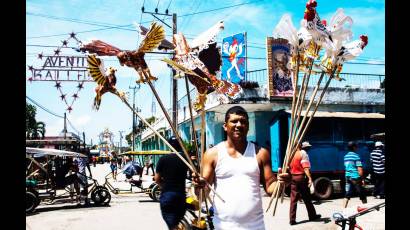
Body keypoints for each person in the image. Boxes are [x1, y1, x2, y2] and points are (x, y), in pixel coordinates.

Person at [194, 106, 290, 230]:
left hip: (255, 226)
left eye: (243, 121)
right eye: (234, 121)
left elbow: (270, 186)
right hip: (223, 226)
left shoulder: (260, 153)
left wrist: (282, 184)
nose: (239, 125)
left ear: (248, 126)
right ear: (225, 126)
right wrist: (199, 186)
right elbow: (203, 192)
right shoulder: (212, 154)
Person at [154, 136, 189, 230]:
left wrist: (163, 186)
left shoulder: (163, 159)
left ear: (169, 145)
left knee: (172, 226)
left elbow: (157, 179)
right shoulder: (186, 159)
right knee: (176, 222)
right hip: (180, 195)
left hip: (167, 195)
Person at [288, 141, 321, 225]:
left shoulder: (290, 155)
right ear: (299, 145)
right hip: (301, 178)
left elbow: (288, 167)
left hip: (293, 177)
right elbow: (306, 168)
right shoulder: (303, 153)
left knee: (293, 199)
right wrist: (310, 178)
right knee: (306, 198)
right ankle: (312, 215)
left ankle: (292, 219)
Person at [343, 141, 367, 208]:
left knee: (347, 194)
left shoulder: (345, 156)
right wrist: (362, 179)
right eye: (356, 147)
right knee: (362, 194)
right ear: (353, 147)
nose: (357, 148)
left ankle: (343, 209)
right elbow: (359, 169)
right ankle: (365, 207)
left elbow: (346, 167)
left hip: (347, 176)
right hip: (355, 177)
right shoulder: (356, 156)